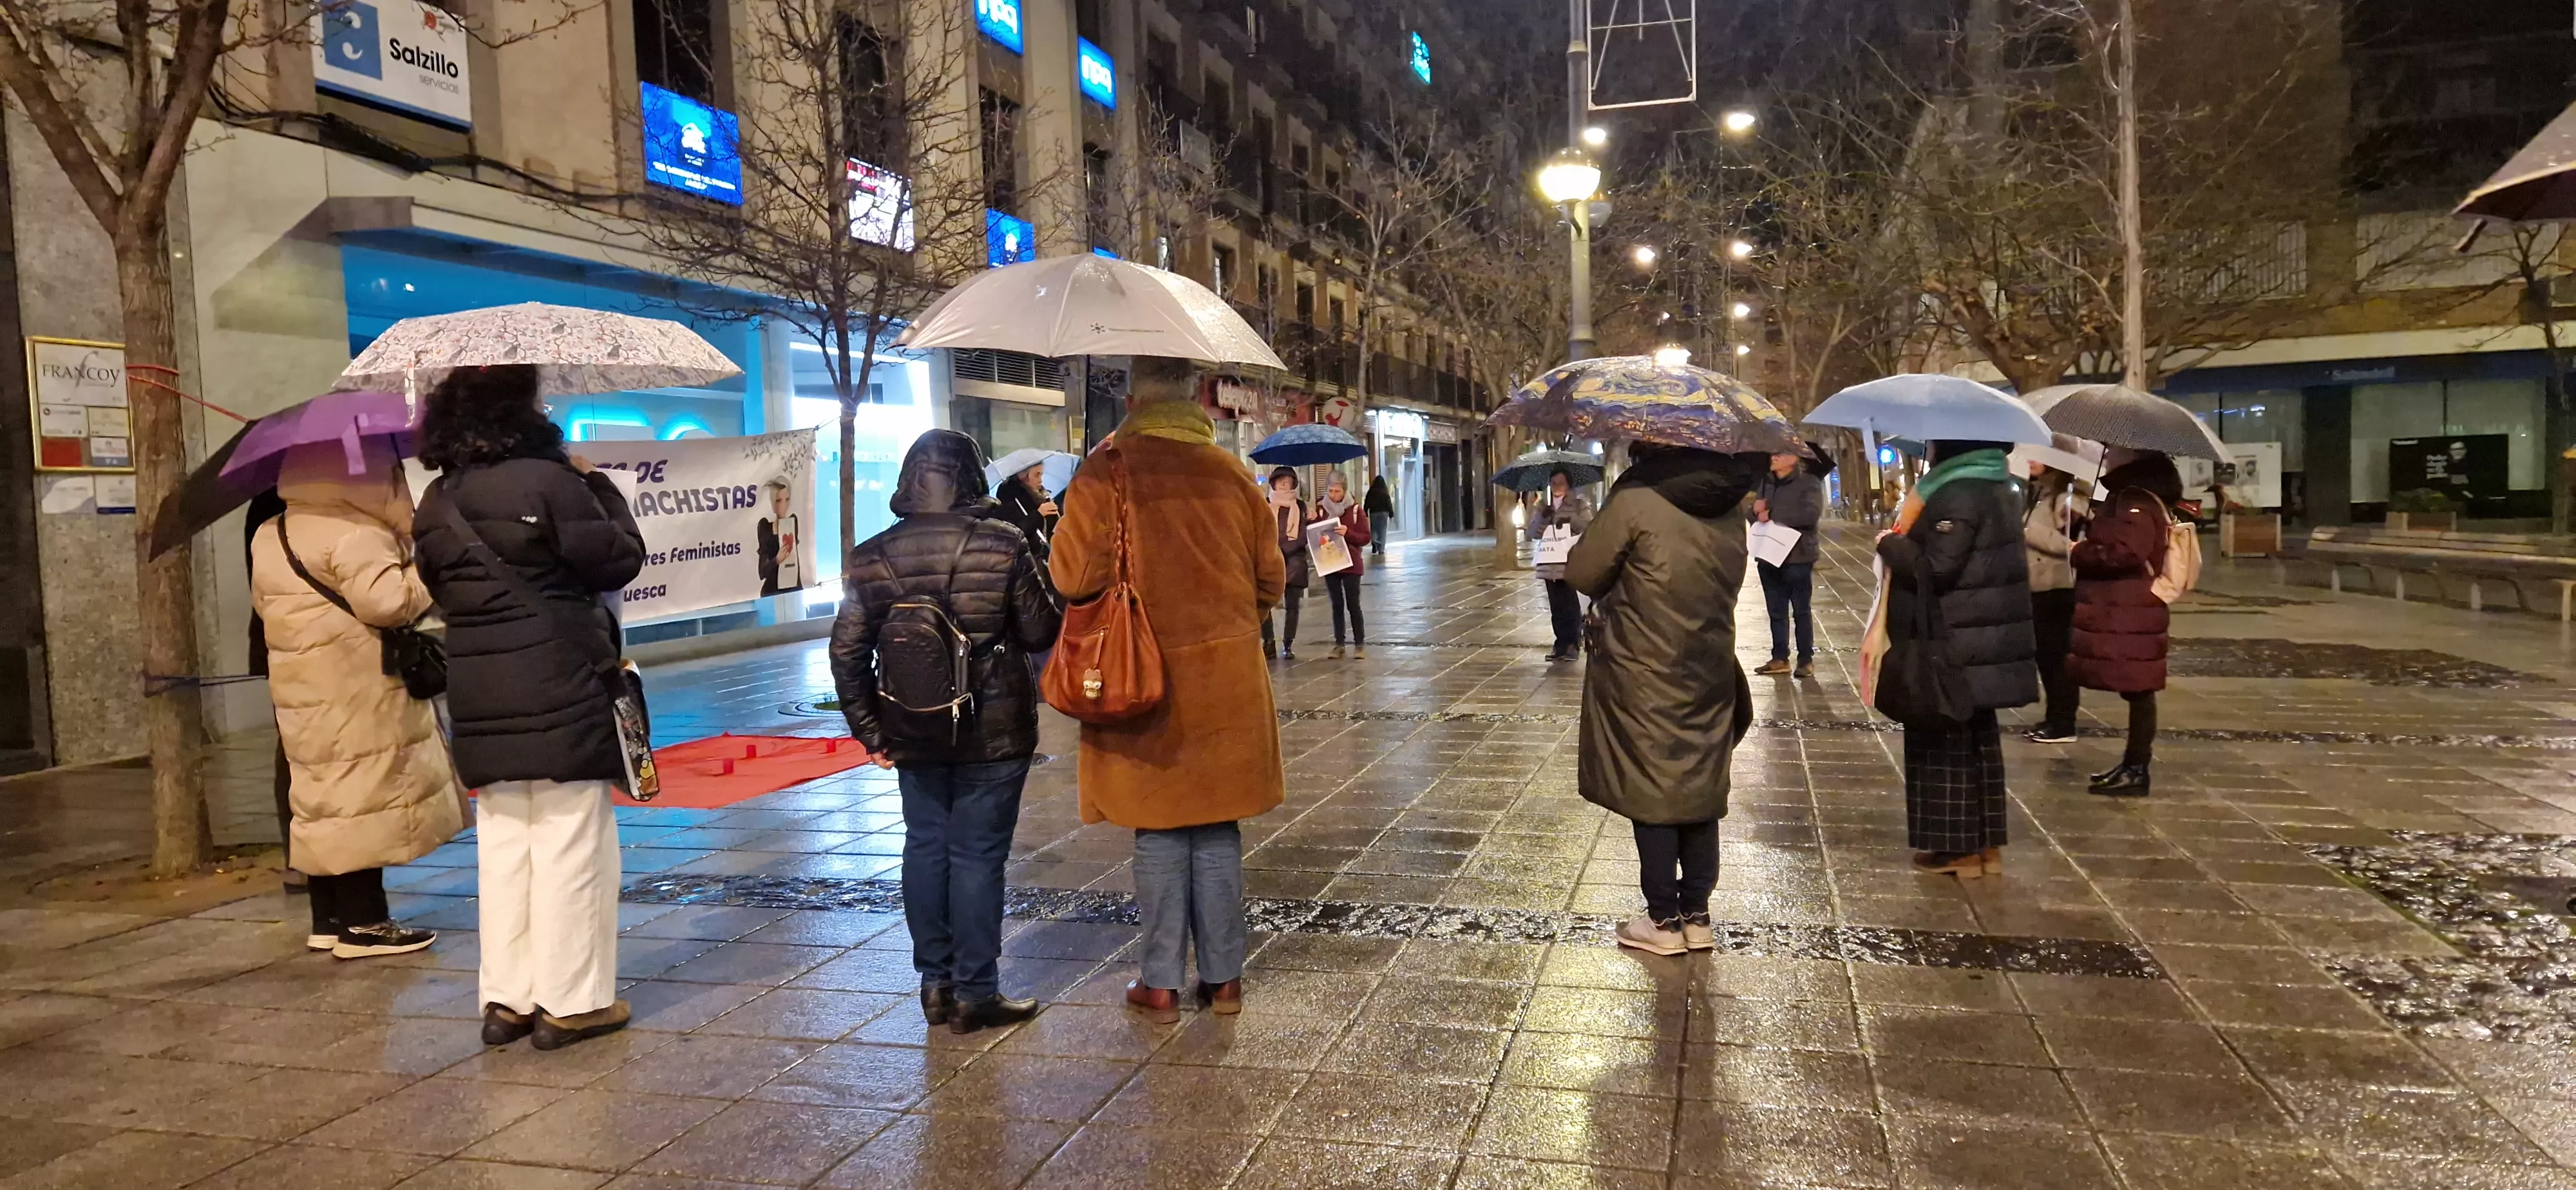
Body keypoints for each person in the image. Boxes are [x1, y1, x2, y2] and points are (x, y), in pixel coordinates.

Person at [412, 363, 647, 1052]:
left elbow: (438, 586)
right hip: (560, 681)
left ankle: (507, 1001)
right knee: (572, 843)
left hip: (480, 690)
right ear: (519, 413)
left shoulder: (437, 499)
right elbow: (617, 560)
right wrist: (600, 487)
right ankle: (572, 1003)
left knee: (505, 847)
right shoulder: (552, 483)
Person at [1050, 355, 1285, 1023]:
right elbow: (1270, 580)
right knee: (1216, 825)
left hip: (1140, 676)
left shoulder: (1106, 471)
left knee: (1158, 827)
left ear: (1132, 402)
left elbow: (1072, 577)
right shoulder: (1232, 475)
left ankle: (1159, 983)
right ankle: (1224, 980)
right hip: (1226, 681)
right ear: (1195, 401)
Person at [831, 430, 1063, 1034]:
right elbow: (1040, 631)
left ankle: (936, 984)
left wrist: (870, 732)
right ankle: (978, 992)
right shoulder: (1004, 541)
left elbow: (847, 653)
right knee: (979, 855)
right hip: (995, 728)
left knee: (926, 847)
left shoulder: (872, 554)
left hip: (913, 724)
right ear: (972, 478)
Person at [251, 440, 462, 959]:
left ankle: (327, 919)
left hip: (302, 685)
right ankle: (365, 923)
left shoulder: (271, 531)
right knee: (358, 795)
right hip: (356, 683)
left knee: (319, 797)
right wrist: (423, 569)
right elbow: (389, 604)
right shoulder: (355, 532)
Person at [1566, 442, 1758, 955]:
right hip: (1710, 662)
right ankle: (1697, 915)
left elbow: (1583, 573)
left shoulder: (1635, 499)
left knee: (1652, 786)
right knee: (1699, 785)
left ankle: (1663, 921)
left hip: (1643, 664)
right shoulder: (1730, 507)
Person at [1876, 440, 2038, 878]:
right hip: (1978, 637)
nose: (1928, 447)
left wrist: (1891, 545)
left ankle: (1959, 851)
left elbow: (1937, 567)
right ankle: (1986, 848)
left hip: (1953, 638)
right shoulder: (1996, 484)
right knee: (1978, 742)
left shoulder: (1958, 491)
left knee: (1943, 742)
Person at [2069, 448, 2183, 797]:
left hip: (2130, 606)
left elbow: (2127, 552)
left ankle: (2136, 769)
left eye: (2116, 451)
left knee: (2140, 689)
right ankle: (2133, 766)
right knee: (2137, 688)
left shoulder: (2135, 501)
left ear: (2135, 459)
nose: (2109, 454)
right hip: (2128, 605)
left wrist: (2078, 551)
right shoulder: (2130, 498)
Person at [2022, 460, 2087, 744]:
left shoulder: (2070, 498)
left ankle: (2064, 723)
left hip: (2058, 588)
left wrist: (2028, 532)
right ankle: (2054, 717)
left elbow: (2071, 545)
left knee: (2057, 658)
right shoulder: (2041, 493)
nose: (2031, 461)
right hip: (2039, 587)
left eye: (2038, 458)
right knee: (2046, 657)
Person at [1750, 449, 1824, 678]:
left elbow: (1810, 515)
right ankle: (1779, 658)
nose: (1774, 457)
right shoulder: (1766, 482)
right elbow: (1755, 516)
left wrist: (1772, 514)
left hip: (1797, 557)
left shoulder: (1809, 483)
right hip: (1768, 555)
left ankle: (1806, 660)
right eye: (1773, 454)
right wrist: (1754, 511)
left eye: (1780, 454)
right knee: (1776, 611)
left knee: (1801, 610)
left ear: (1795, 458)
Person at [1528, 469, 1594, 662]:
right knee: (1556, 607)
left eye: (1561, 483)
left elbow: (1589, 528)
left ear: (1568, 485)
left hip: (1569, 561)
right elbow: (1532, 532)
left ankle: (1573, 644)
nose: (1556, 486)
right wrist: (1543, 518)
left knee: (1570, 604)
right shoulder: (1543, 507)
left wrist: (1572, 520)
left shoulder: (1579, 505)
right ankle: (1561, 644)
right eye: (1553, 482)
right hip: (1549, 562)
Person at [1315, 473, 1371, 658]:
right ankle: (1339, 644)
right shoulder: (1321, 509)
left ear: (1345, 491)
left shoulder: (1355, 510)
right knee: (1336, 605)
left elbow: (1366, 537)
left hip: (1351, 564)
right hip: (1330, 563)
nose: (1333, 495)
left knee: (1353, 604)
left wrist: (1348, 533)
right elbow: (1314, 534)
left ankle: (1359, 644)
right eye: (1330, 491)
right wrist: (1312, 521)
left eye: (1337, 491)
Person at [1259, 466, 1312, 661]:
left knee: (1292, 606)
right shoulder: (1264, 504)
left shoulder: (1301, 507)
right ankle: (1269, 642)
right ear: (1273, 483)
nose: (1283, 485)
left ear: (1293, 484)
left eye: (1287, 482)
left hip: (1294, 561)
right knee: (1264, 602)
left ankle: (1288, 644)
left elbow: (1303, 535)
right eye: (1280, 481)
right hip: (1269, 560)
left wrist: (1284, 549)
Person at [994, 461, 1060, 565]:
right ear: (1023, 476)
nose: (1041, 480)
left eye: (1041, 474)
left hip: (1049, 557)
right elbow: (1014, 532)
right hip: (1026, 561)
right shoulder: (1010, 498)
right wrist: (1038, 514)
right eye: (1037, 475)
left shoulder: (1041, 495)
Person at [757, 481, 800, 595]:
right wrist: (777, 560)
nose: (783, 505)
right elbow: (762, 573)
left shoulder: (793, 522)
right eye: (778, 501)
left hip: (793, 587)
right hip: (772, 591)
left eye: (787, 500)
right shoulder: (765, 527)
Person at [1363, 475, 1396, 556]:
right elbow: (1389, 503)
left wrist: (1365, 512)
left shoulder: (1371, 491)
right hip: (1384, 514)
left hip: (1374, 513)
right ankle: (1381, 549)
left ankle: (1375, 540)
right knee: (1383, 531)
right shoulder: (1385, 492)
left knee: (1374, 529)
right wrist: (1391, 514)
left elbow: (1367, 502)